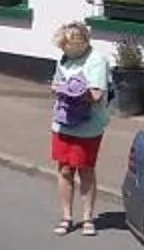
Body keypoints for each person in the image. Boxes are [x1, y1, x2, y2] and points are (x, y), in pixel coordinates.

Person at [48, 21, 114, 234]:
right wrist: (60, 88)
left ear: (80, 43)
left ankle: (88, 218)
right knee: (65, 169)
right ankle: (66, 217)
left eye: (66, 46)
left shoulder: (96, 60)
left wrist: (71, 91)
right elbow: (55, 84)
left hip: (88, 124)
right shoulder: (64, 59)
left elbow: (96, 95)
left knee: (85, 169)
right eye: (62, 47)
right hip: (63, 121)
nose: (63, 50)